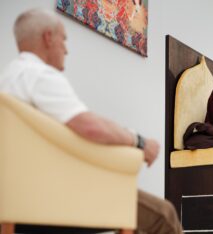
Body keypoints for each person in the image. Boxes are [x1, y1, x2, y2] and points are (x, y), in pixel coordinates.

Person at [0, 8, 183, 234]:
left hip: (17, 198)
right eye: (63, 40)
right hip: (59, 196)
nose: (66, 49)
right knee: (164, 215)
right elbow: (89, 127)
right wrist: (140, 142)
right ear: (48, 37)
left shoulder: (9, 78)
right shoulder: (40, 76)